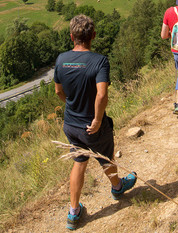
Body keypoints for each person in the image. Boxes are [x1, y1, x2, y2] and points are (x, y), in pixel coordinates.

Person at [54, 14, 137, 231]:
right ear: (94, 36)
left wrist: (70, 105)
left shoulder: (61, 59)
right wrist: (98, 120)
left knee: (79, 161)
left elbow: (58, 91)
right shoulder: (100, 61)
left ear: (72, 36)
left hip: (71, 124)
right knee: (106, 157)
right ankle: (118, 188)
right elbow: (101, 95)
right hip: (92, 125)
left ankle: (73, 213)